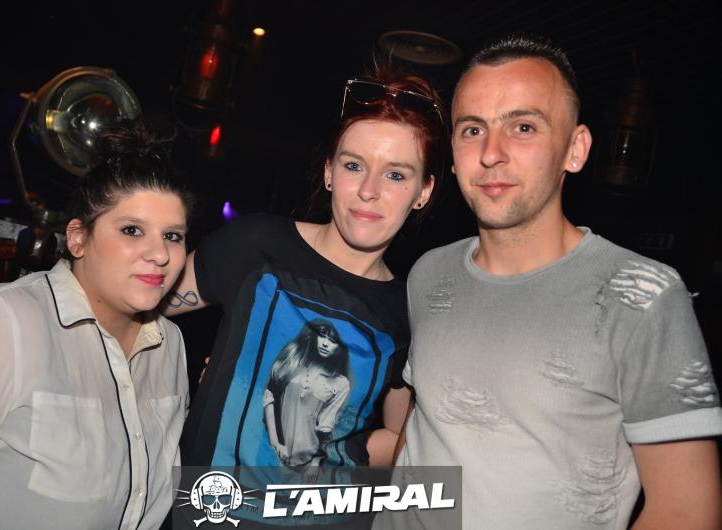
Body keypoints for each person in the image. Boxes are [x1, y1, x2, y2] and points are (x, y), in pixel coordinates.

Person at [386, 35, 722, 529]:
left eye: (523, 127)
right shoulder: (428, 272)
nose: (491, 153)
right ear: (453, 154)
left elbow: (687, 513)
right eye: (472, 129)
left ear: (575, 149)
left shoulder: (641, 294)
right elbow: (422, 425)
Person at [165, 67, 449, 472]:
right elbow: (131, 309)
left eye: (395, 175)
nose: (368, 191)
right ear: (329, 171)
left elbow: (402, 438)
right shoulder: (255, 246)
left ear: (423, 191)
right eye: (354, 166)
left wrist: (333, 441)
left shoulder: (407, 313)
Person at [0, 121, 193, 530]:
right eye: (132, 230)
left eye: (173, 235)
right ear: (78, 238)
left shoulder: (170, 346)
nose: (160, 253)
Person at [264, 319, 352, 467]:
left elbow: (325, 426)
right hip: (272, 451)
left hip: (307, 461)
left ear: (340, 347)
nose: (325, 344)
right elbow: (269, 395)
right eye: (322, 335)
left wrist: (316, 461)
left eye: (333, 340)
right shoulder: (292, 360)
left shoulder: (341, 383)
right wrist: (275, 442)